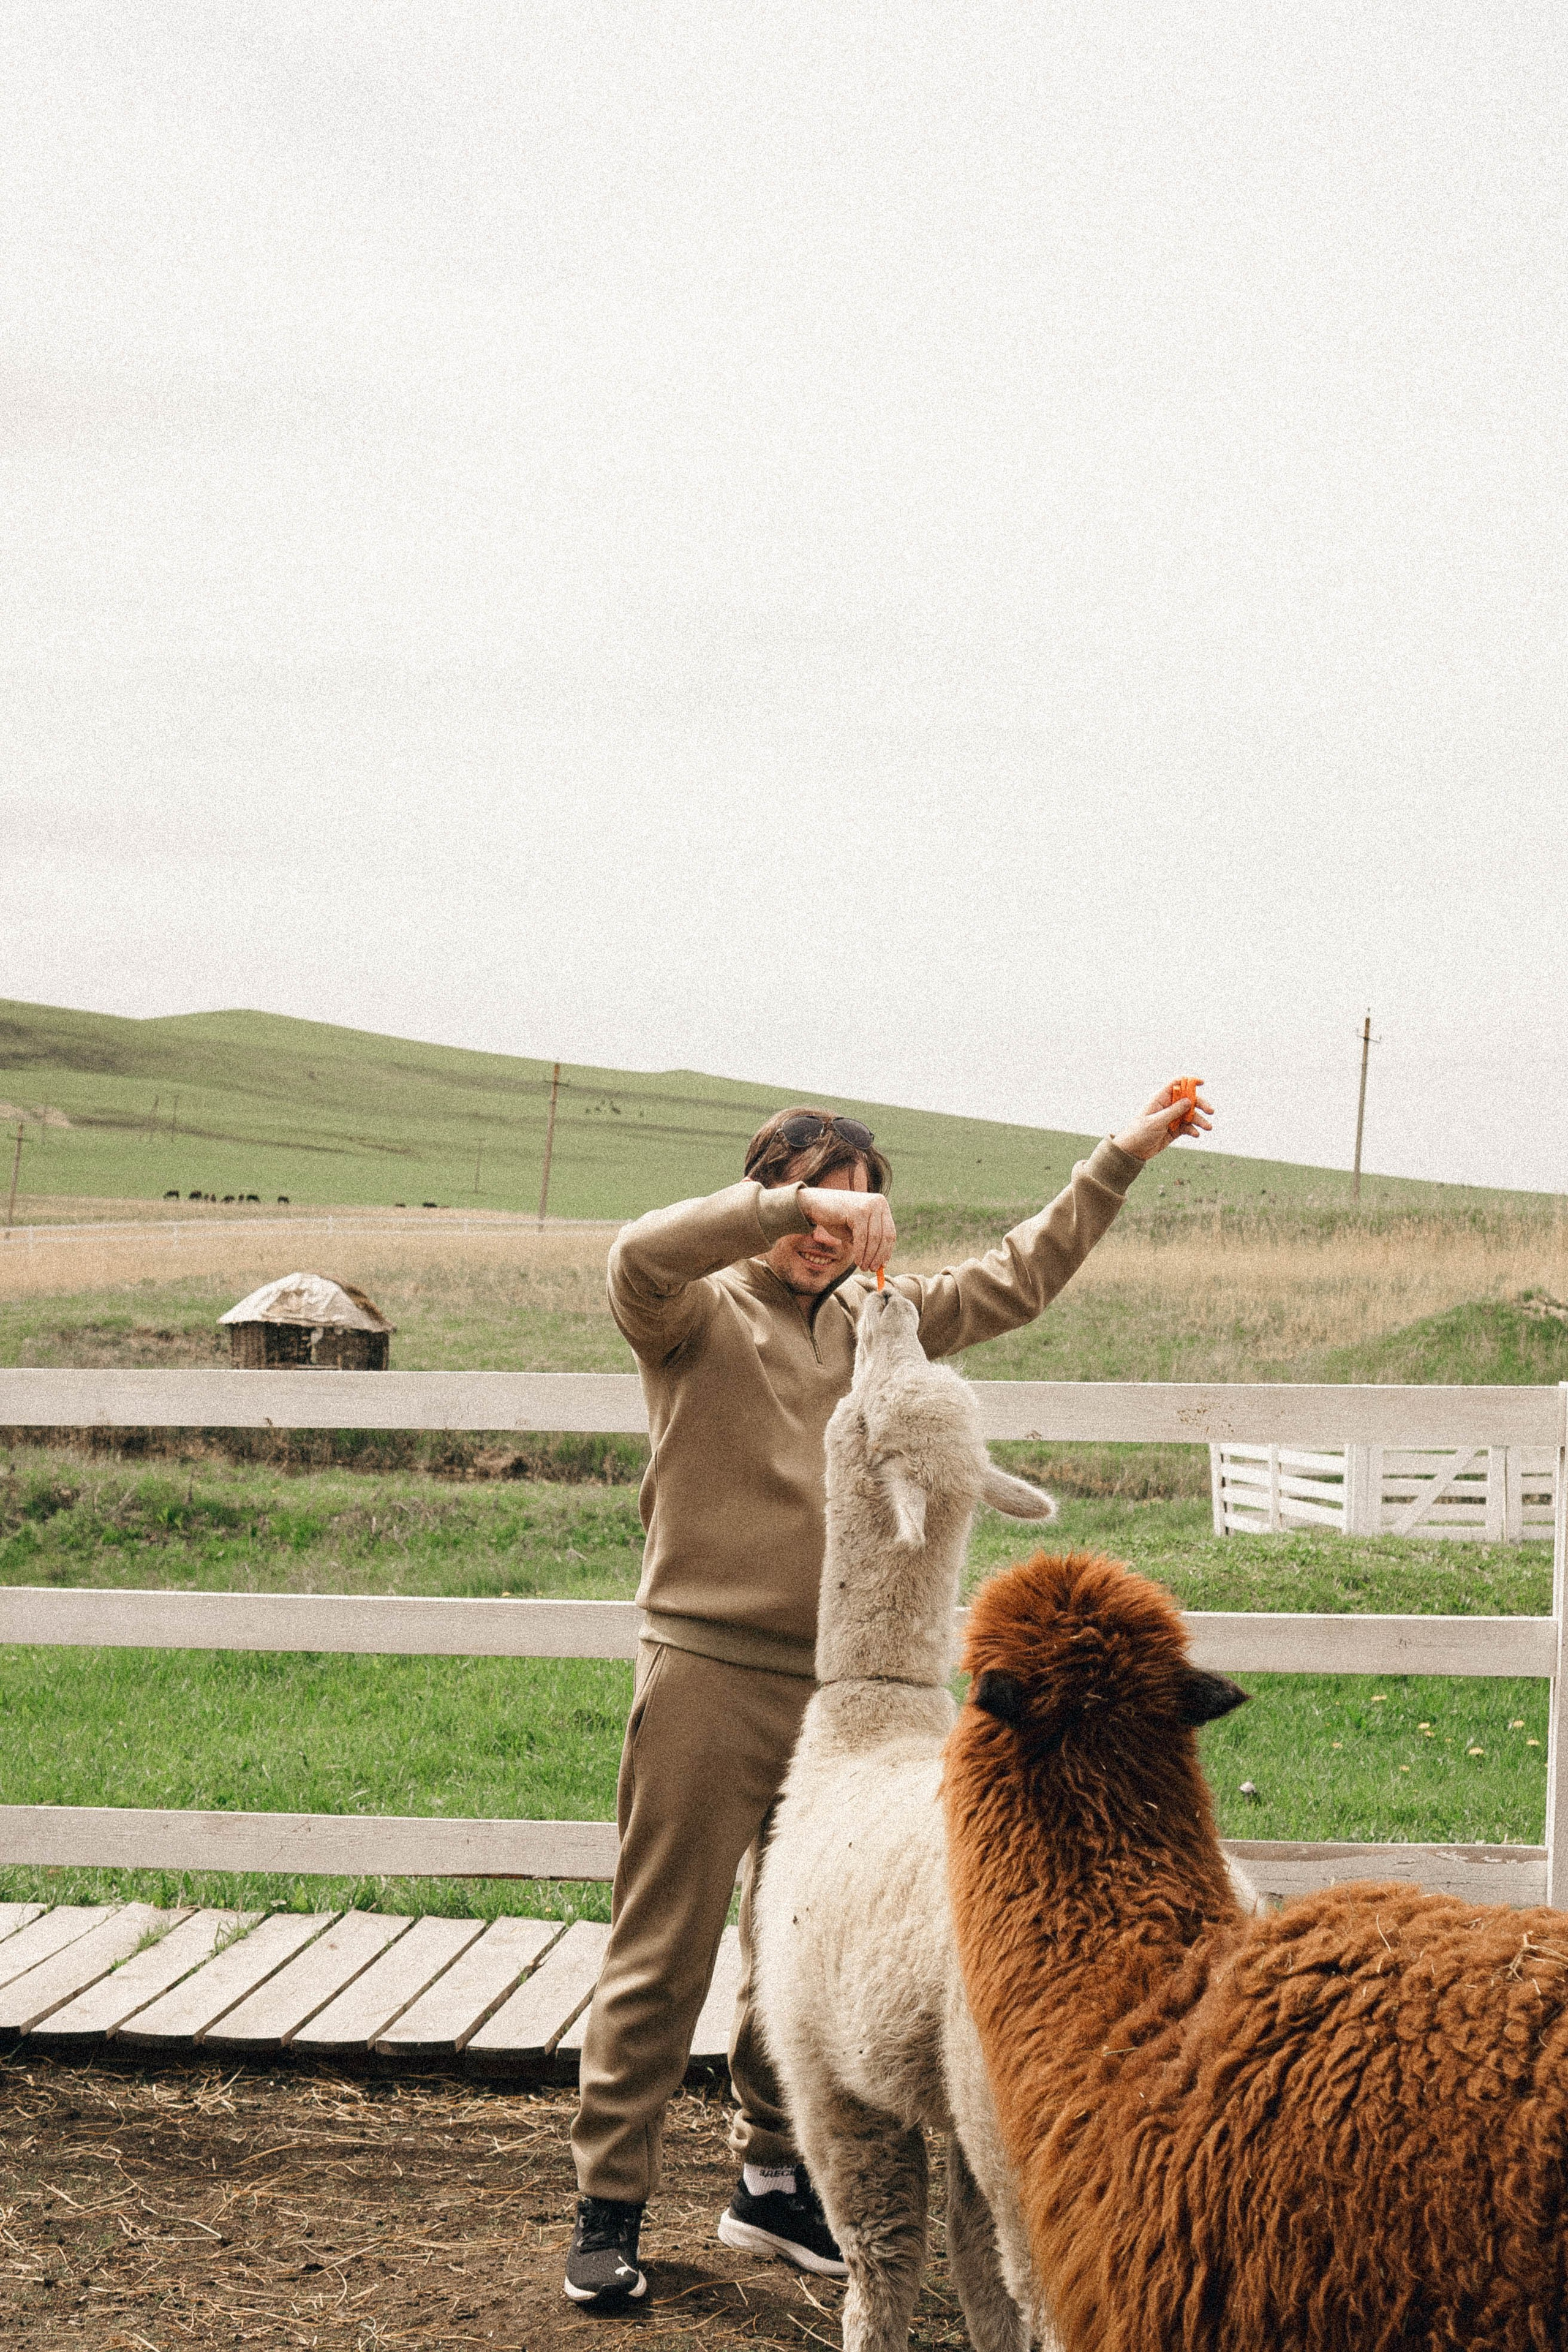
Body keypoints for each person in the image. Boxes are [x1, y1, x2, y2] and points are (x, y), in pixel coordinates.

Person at [562, 1080, 1213, 2309]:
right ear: (768, 1198)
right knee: (666, 1945)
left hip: (849, 1700)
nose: (837, 1230)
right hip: (708, 1674)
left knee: (795, 1952)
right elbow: (634, 1249)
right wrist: (779, 1207)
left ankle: (770, 2182)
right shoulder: (688, 1315)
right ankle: (607, 2205)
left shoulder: (889, 1325)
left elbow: (1023, 1275)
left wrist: (1119, 1156)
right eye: (817, 1204)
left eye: (861, 1207)